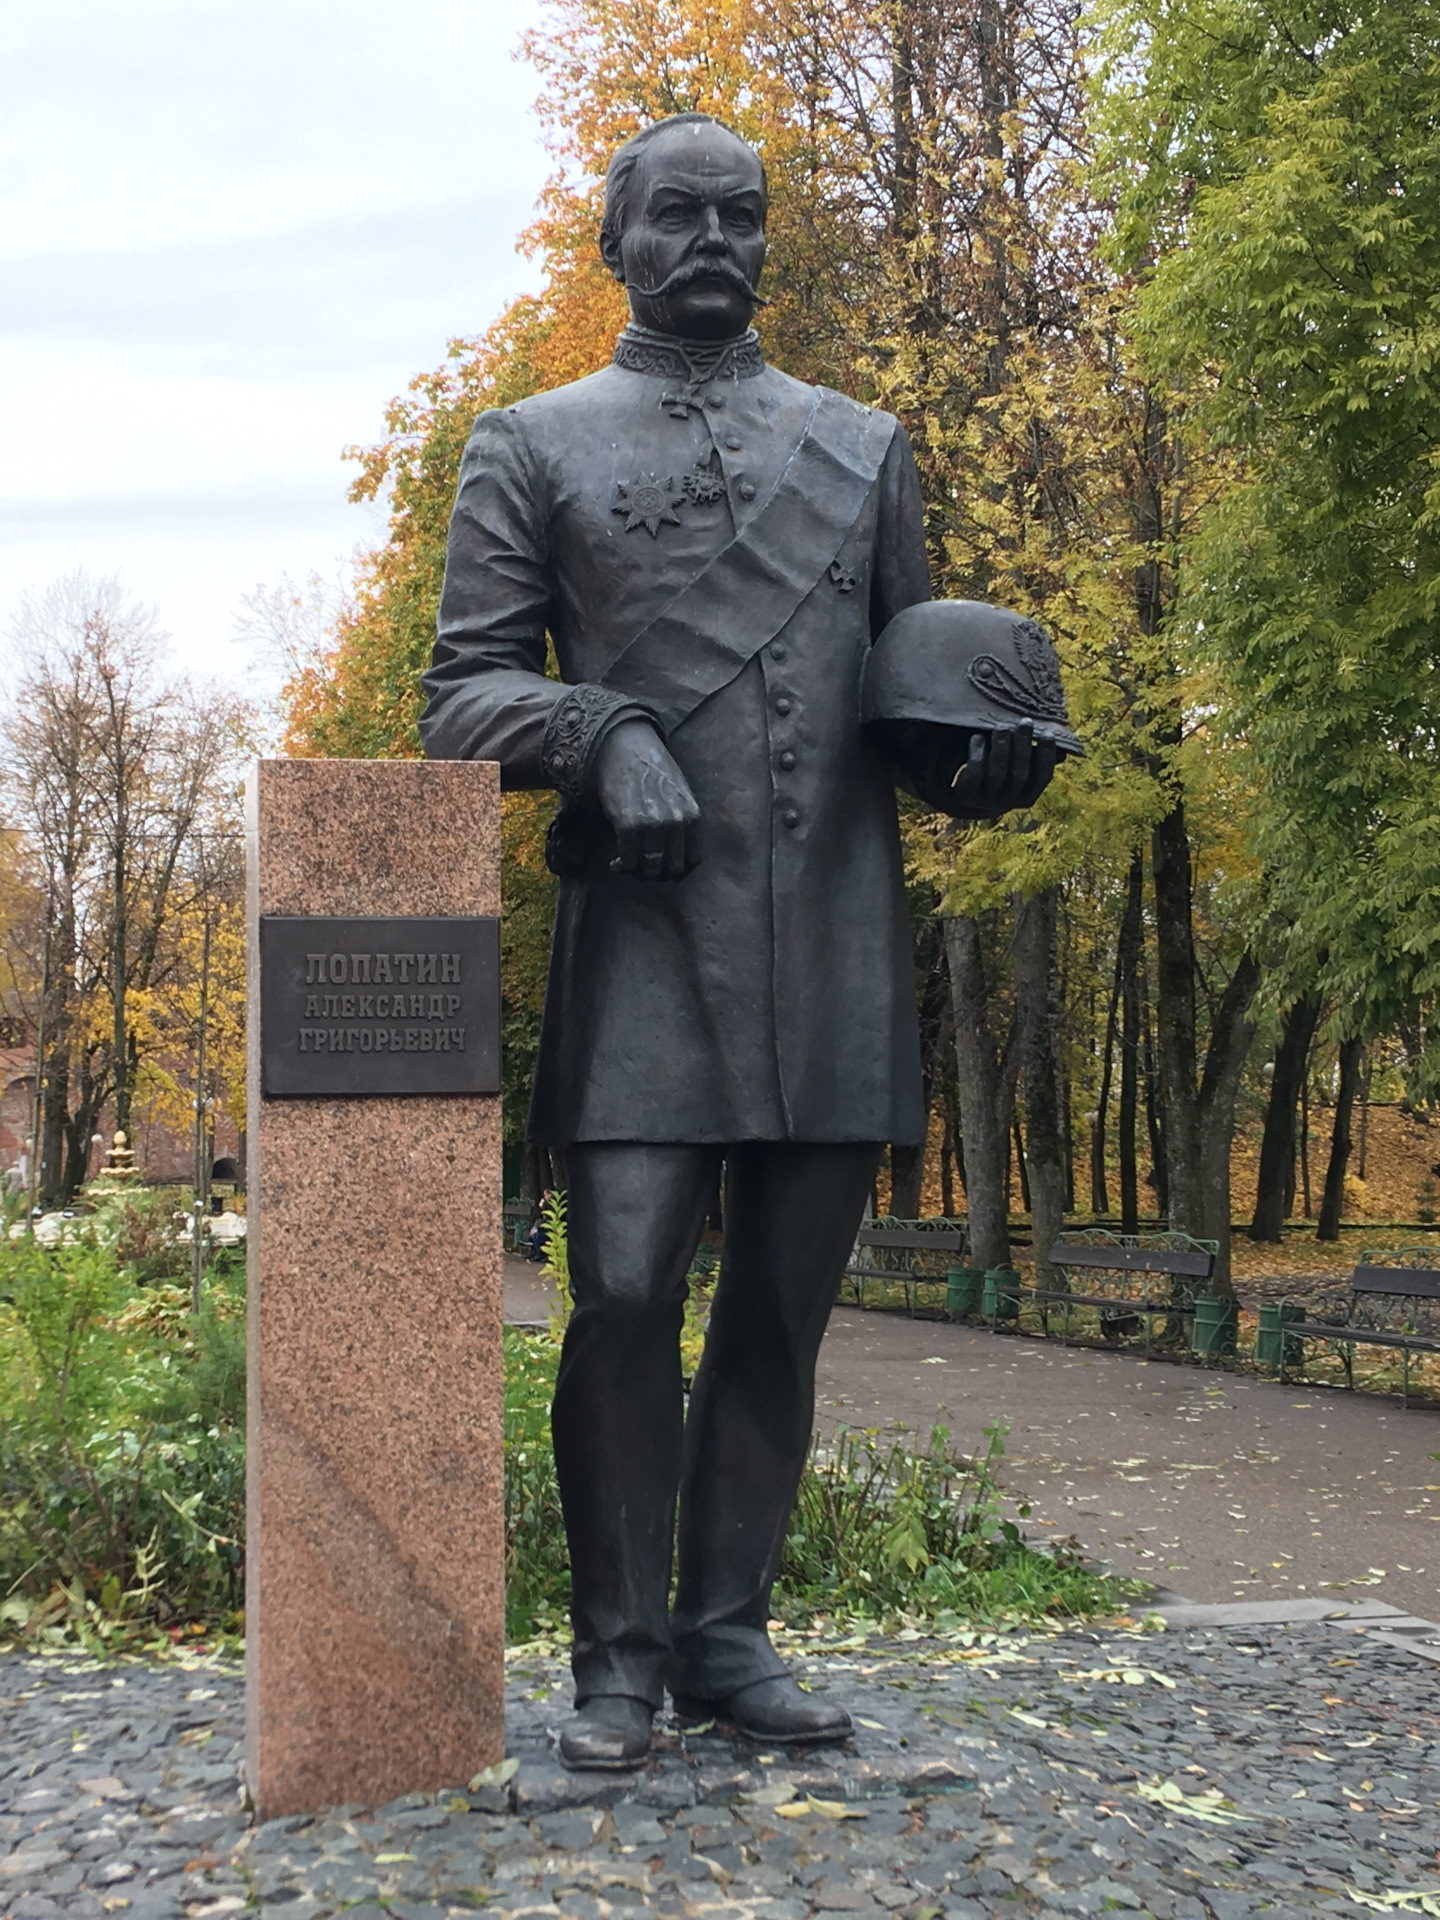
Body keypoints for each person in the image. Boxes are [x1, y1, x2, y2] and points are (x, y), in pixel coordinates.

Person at [420, 113, 1056, 1769]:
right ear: (616, 241)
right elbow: (456, 698)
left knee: (781, 1311)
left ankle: (727, 1639)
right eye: (679, 215)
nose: (716, 240)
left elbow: (911, 690)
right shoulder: (529, 442)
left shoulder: (863, 446)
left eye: (744, 217)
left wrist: (978, 763)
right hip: (643, 945)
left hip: (836, 942)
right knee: (626, 1291)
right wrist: (602, 726)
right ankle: (617, 1660)